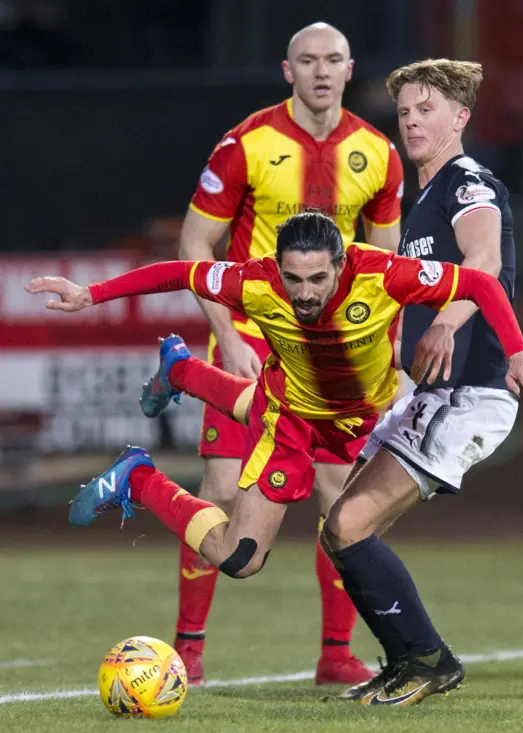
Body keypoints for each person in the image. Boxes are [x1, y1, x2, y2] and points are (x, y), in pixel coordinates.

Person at [27, 211, 523, 707]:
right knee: (241, 558)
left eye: (317, 280)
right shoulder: (254, 282)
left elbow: (481, 282)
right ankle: (139, 478)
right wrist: (90, 295)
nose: (304, 294)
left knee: (347, 528)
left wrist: (518, 351)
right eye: (293, 279)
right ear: (278, 267)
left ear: (342, 264)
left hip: (358, 422)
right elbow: (181, 272)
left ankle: (180, 372)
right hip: (291, 422)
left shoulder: (385, 273)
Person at [312, 58, 523, 705]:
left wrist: (447, 323)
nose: (412, 120)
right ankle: (405, 660)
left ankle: (429, 659)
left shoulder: (466, 182)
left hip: (470, 392)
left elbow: (484, 260)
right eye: (406, 111)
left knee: (350, 524)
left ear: (460, 118)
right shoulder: (421, 203)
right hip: (432, 394)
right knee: (339, 527)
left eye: (426, 109)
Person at [174, 21, 402, 685]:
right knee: (219, 490)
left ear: (350, 67)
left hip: (333, 361)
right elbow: (195, 245)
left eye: (333, 60)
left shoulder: (378, 152)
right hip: (249, 343)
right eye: (308, 60)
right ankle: (189, 647)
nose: (321, 71)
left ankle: (336, 653)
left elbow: (383, 268)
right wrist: (231, 333)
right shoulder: (246, 143)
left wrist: (384, 361)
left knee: (343, 502)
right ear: (287, 70)